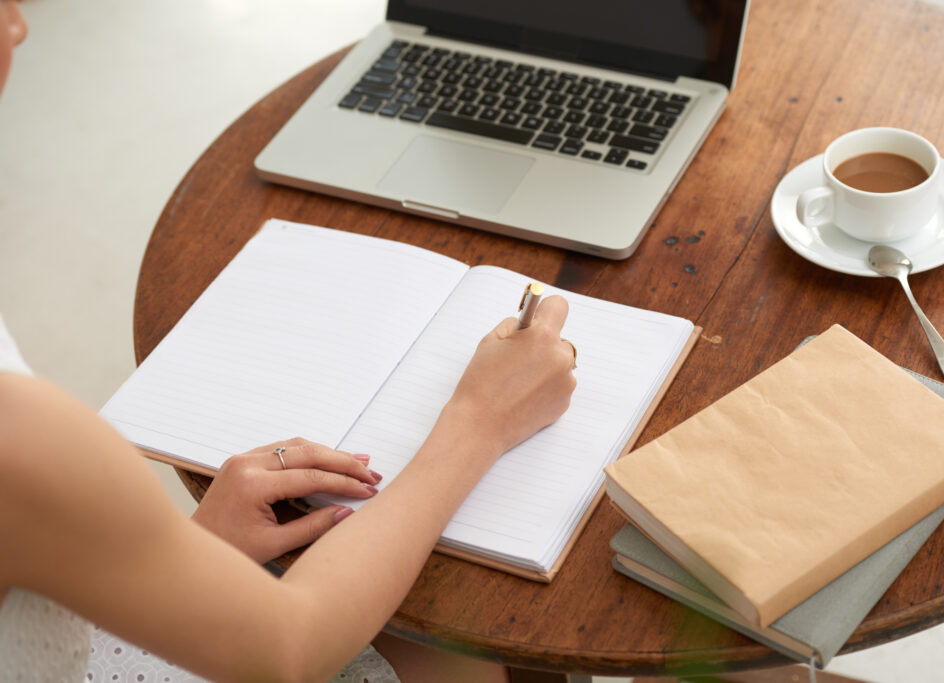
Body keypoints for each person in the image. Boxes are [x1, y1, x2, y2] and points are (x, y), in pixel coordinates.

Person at [0, 1, 578, 680]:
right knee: (455, 640)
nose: (19, 21)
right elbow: (289, 648)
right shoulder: (25, 439)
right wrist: (479, 421)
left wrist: (180, 550)